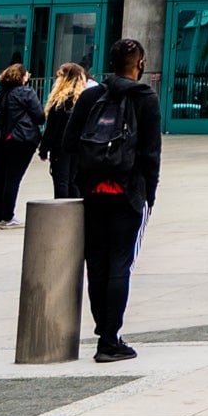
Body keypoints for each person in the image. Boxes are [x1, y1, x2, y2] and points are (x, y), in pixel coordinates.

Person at [59, 39, 163, 361]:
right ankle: (109, 339)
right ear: (140, 64)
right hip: (128, 192)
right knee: (121, 263)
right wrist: (150, 193)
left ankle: (104, 328)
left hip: (92, 192)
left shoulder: (91, 96)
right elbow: (151, 152)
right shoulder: (145, 98)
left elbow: (69, 142)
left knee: (98, 262)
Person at [0, 63, 42, 228]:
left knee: (0, 176)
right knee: (13, 178)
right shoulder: (26, 92)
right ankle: (8, 216)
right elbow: (39, 116)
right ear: (23, 77)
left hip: (0, 139)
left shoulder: (0, 94)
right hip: (22, 139)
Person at [40, 62, 92, 195]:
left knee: (61, 181)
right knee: (75, 181)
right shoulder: (86, 100)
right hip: (80, 146)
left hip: (61, 146)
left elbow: (52, 128)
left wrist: (44, 149)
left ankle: (62, 213)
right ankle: (75, 214)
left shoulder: (60, 101)